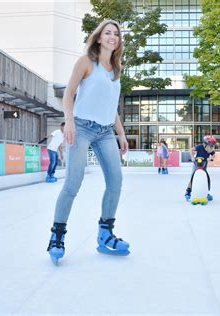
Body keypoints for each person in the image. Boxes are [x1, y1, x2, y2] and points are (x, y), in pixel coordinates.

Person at [47, 20, 130, 265]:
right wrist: (69, 122)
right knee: (73, 183)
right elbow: (69, 93)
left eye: (116, 34)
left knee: (116, 181)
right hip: (81, 127)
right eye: (108, 32)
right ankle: (57, 237)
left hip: (105, 132)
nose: (112, 37)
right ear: (98, 37)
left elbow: (111, 107)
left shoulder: (116, 70)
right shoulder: (86, 62)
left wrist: (121, 134)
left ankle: (105, 235)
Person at [184, 136, 216, 201]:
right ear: (205, 144)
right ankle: (188, 192)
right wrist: (192, 157)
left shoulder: (210, 149)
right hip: (196, 164)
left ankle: (205, 192)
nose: (211, 148)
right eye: (210, 146)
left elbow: (213, 155)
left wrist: (210, 158)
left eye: (212, 146)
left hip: (204, 164)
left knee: (205, 177)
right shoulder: (199, 147)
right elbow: (190, 150)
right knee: (192, 177)